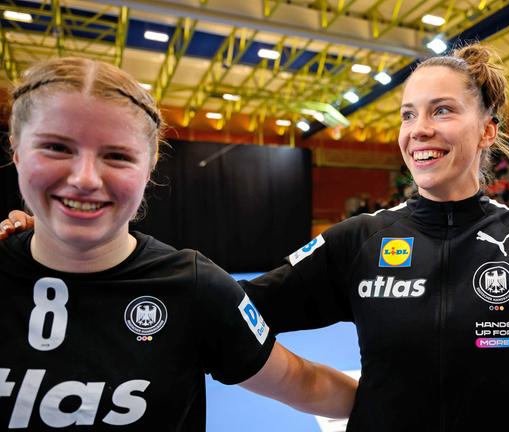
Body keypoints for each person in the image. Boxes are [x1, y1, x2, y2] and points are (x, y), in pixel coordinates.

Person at [0, 49, 509, 431]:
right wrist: (77, 243)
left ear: (488, 130)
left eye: (442, 111)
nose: (418, 129)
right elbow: (233, 305)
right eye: (407, 114)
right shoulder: (355, 239)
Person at [0, 57, 356, 430]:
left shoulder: (194, 287)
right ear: (17, 149)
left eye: (117, 156)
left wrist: (408, 408)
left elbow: (303, 382)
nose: (85, 178)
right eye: (57, 147)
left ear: (150, 164)